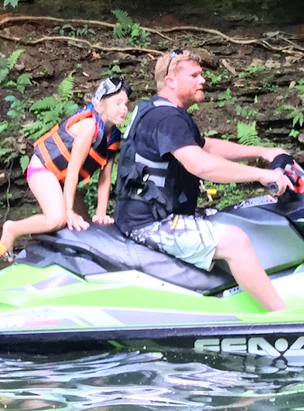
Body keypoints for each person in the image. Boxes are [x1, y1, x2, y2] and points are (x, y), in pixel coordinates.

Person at [114, 49, 292, 311]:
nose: (203, 80)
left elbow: (204, 147)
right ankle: (285, 319)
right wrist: (262, 175)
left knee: (240, 215)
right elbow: (200, 164)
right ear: (170, 81)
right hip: (150, 223)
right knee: (235, 240)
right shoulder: (166, 118)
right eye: (194, 75)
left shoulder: (156, 110)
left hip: (151, 213)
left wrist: (261, 152)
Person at [0, 76, 131, 256]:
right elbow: (73, 169)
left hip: (63, 179)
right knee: (58, 219)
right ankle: (12, 229)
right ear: (100, 105)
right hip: (43, 170)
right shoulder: (89, 127)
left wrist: (101, 214)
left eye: (126, 104)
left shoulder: (113, 137)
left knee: (85, 227)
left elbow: (105, 179)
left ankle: (59, 253)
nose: (124, 108)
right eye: (117, 103)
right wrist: (69, 210)